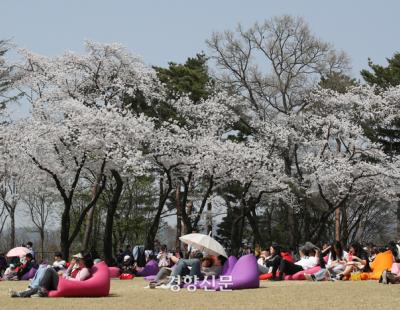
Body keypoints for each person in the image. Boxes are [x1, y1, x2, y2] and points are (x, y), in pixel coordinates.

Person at [9, 253, 94, 298]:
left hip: (65, 284)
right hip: (64, 282)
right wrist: (71, 267)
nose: (77, 261)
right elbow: (69, 275)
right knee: (42, 277)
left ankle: (36, 289)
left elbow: (78, 282)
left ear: (85, 261)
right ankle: (21, 294)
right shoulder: (78, 267)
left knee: (49, 269)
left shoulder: (85, 270)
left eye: (79, 259)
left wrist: (65, 277)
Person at [160, 255, 227, 289]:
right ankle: (172, 283)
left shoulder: (218, 268)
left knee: (196, 261)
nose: (214, 259)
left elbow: (211, 275)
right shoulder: (213, 265)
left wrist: (201, 270)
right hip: (195, 274)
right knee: (182, 265)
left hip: (200, 277)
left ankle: (179, 261)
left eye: (216, 258)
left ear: (220, 261)